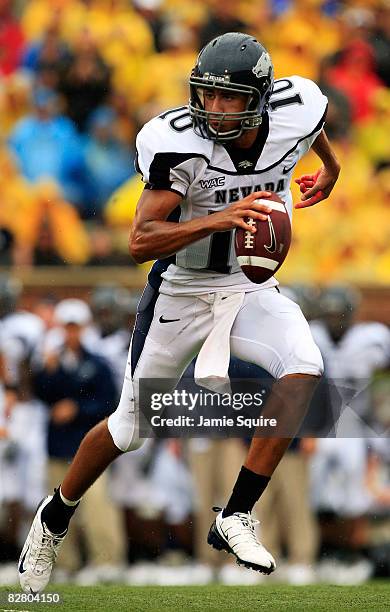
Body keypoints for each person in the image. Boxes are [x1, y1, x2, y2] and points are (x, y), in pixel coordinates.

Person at [19, 32, 340, 594]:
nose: (214, 108)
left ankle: (235, 514)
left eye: (229, 98)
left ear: (260, 97)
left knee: (305, 366)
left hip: (248, 285)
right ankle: (53, 518)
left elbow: (313, 133)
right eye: (207, 95)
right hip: (181, 289)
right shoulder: (176, 142)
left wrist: (330, 169)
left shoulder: (298, 110)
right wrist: (218, 218)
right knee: (130, 427)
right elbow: (141, 241)